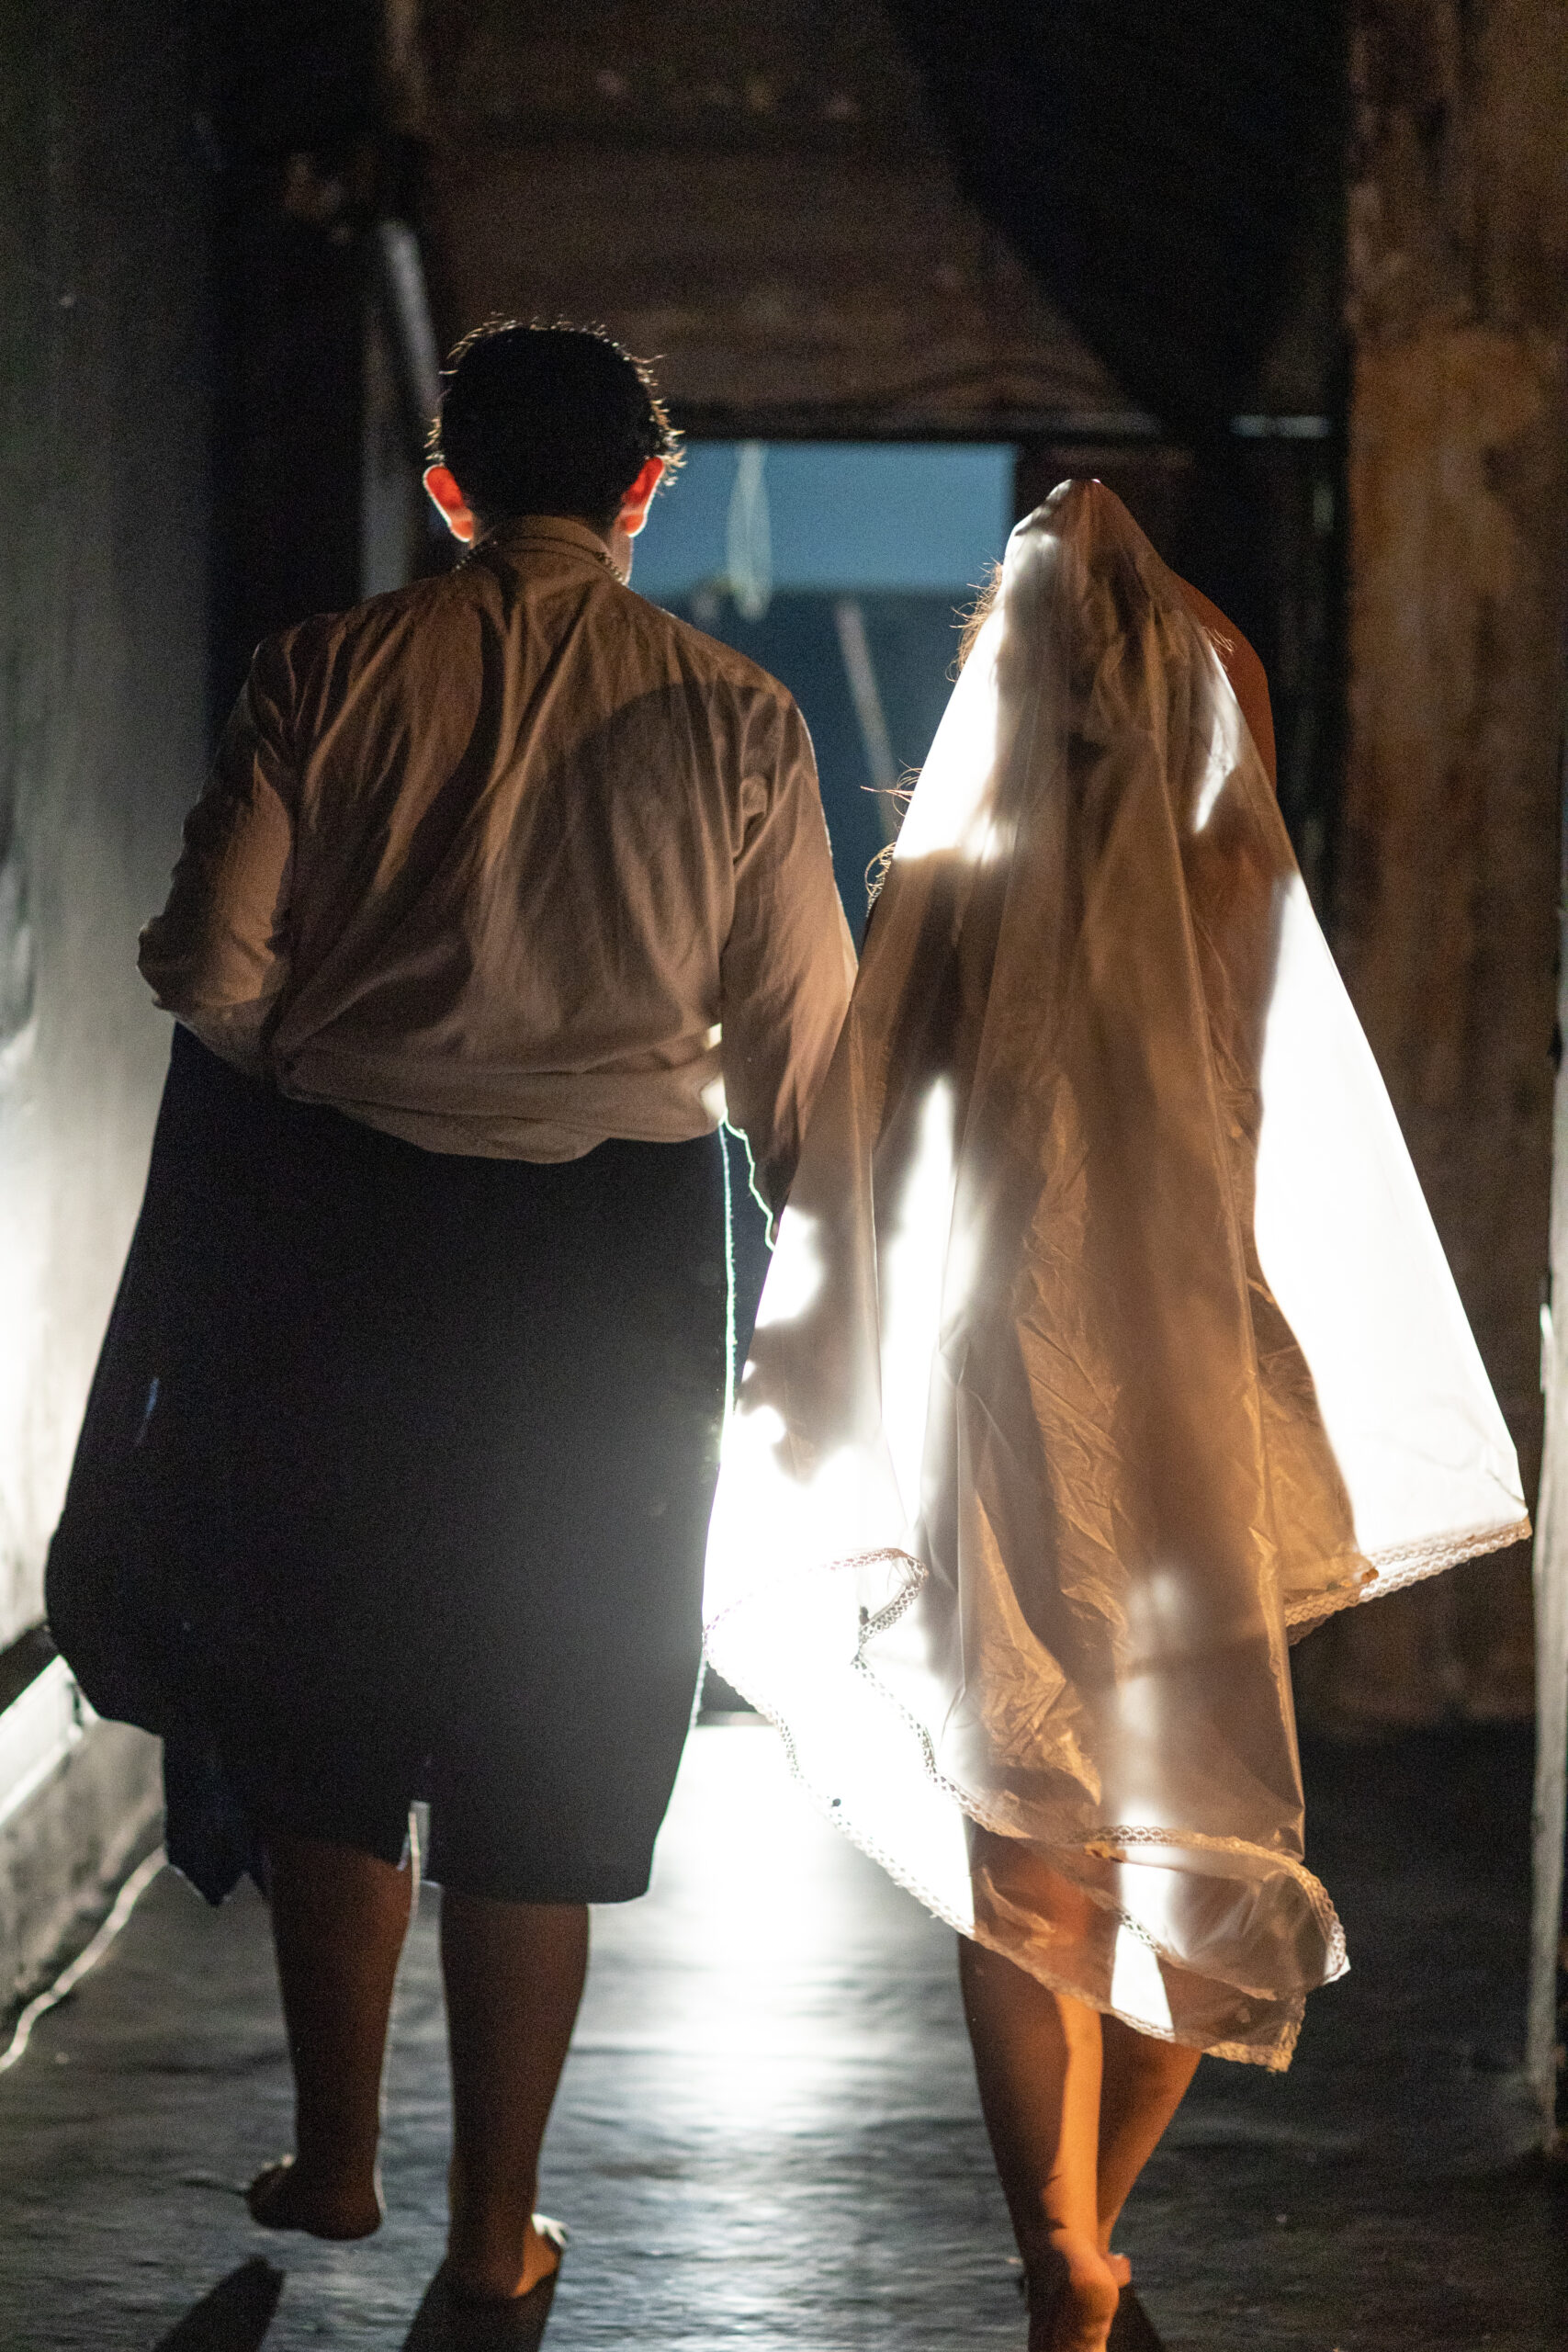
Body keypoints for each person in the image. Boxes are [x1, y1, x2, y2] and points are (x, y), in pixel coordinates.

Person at [47, 322, 855, 2330]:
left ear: (446, 487)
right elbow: (800, 1071)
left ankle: (336, 2155)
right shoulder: (739, 718)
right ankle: (497, 2232)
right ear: (646, 493)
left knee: (330, 1701)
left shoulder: (322, 671)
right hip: (614, 1268)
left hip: (346, 1243)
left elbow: (205, 964)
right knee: (553, 1733)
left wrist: (329, 1058)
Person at [702, 480, 1528, 2351]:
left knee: (1023, 1839)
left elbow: (870, 1169)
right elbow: (1262, 1139)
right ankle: (1090, 2241)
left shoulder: (945, 893)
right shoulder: (1232, 894)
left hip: (997, 1383)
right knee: (1183, 1823)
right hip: (1185, 1382)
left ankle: (1056, 2250)